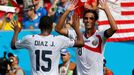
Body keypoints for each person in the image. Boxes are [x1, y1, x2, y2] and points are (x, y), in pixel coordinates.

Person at [10, 3, 84, 75]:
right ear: (52, 26)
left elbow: (13, 45)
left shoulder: (30, 39)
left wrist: (16, 32)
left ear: (39, 26)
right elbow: (81, 42)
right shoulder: (59, 40)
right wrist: (76, 28)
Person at [55, 0, 118, 75]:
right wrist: (67, 11)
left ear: (95, 21)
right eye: (86, 18)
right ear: (83, 21)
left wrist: (106, 9)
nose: (88, 20)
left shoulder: (100, 35)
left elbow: (114, 28)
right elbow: (58, 29)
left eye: (91, 18)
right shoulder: (76, 34)